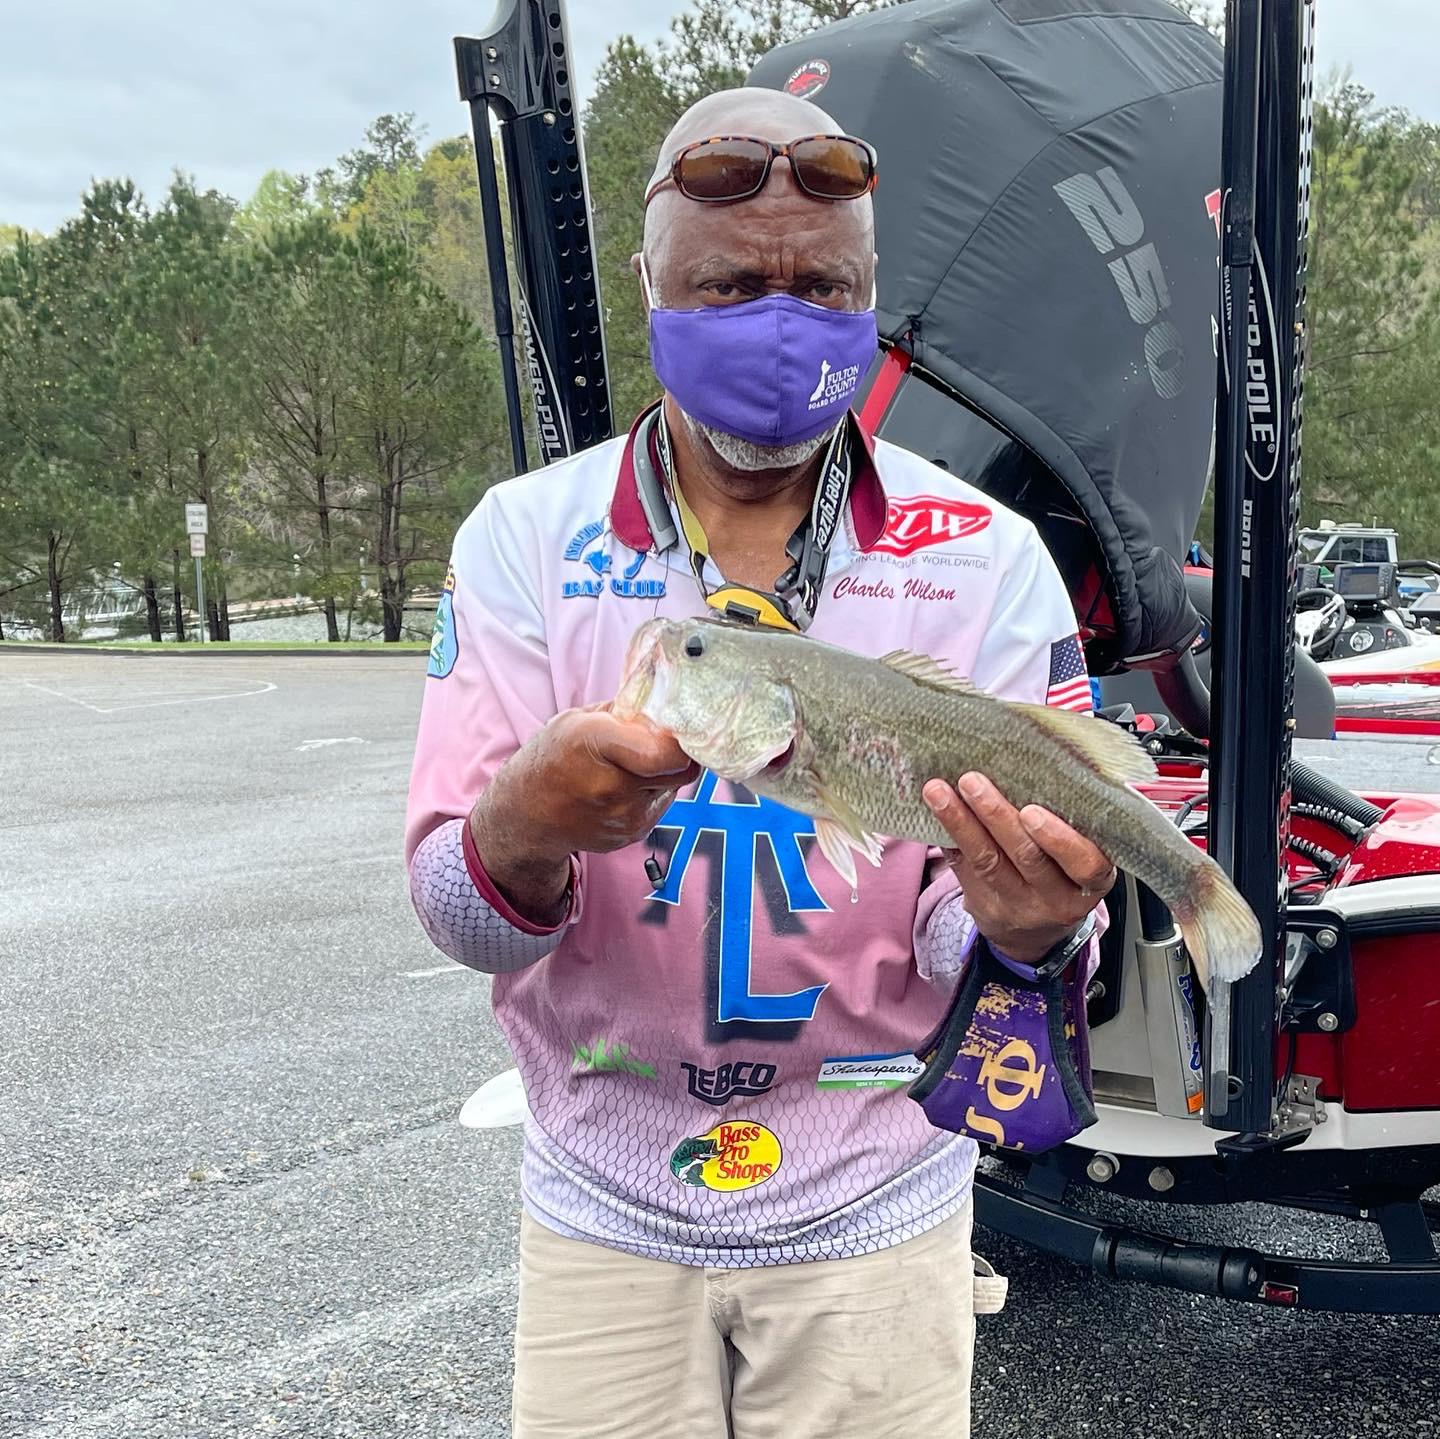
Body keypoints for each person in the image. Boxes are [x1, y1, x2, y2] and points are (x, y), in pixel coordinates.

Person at [406, 85, 1117, 1439]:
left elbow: (991, 930)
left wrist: (1029, 932)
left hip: (879, 1212)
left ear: (871, 301)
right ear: (650, 280)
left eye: (823, 287)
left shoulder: (984, 556)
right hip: (602, 1213)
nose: (780, 315)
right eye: (729, 285)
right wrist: (527, 826)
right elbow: (460, 915)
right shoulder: (520, 542)